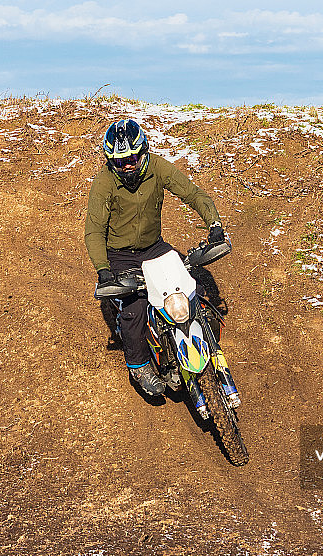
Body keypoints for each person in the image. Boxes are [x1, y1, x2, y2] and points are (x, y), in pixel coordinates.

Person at [85, 118, 226, 396]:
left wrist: (215, 225)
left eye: (133, 158)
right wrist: (103, 269)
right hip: (120, 255)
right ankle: (139, 365)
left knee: (189, 289)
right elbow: (94, 230)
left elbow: (193, 194)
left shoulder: (158, 168)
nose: (127, 166)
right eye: (119, 161)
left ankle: (196, 345)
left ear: (143, 152)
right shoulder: (104, 183)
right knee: (135, 309)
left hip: (153, 247)